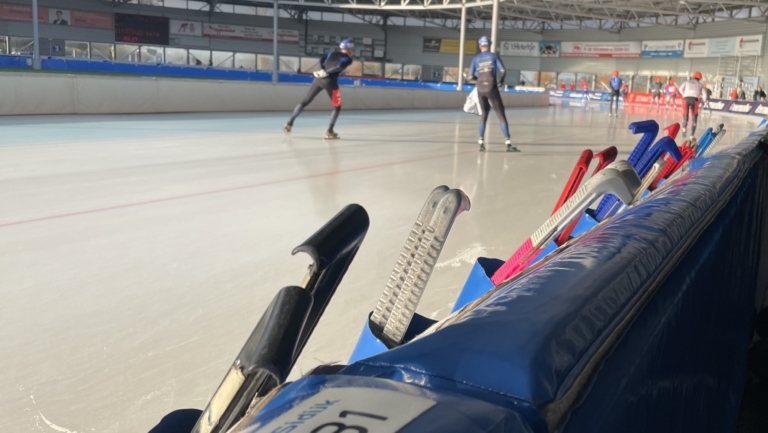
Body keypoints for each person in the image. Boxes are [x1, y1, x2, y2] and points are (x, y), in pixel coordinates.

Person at [284, 39, 354, 139]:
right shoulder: (348, 59)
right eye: (352, 50)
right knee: (337, 106)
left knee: (305, 101)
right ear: (349, 50)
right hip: (330, 82)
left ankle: (289, 123)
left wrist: (323, 70)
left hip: (319, 79)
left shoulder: (331, 53)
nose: (352, 52)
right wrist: (328, 72)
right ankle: (329, 131)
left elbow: (320, 60)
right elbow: (339, 66)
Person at [468, 36, 517, 152]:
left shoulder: (475, 59)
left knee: (483, 115)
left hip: (480, 89)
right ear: (489, 45)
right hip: (492, 87)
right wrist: (501, 81)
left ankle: (481, 143)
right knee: (501, 115)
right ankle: (508, 143)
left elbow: (470, 77)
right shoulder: (494, 56)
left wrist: (479, 81)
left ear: (480, 46)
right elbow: (503, 71)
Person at [678, 71, 705, 138]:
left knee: (685, 115)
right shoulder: (700, 84)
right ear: (700, 78)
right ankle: (692, 135)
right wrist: (703, 102)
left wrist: (684, 94)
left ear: (693, 76)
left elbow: (680, 89)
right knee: (694, 117)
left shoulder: (686, 82)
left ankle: (684, 129)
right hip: (694, 100)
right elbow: (704, 94)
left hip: (685, 99)